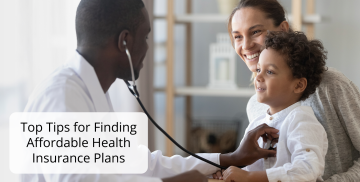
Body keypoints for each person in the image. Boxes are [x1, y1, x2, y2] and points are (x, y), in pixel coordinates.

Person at [22, 0, 279, 182]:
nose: (147, 49)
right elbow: (78, 179)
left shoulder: (92, 93)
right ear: (124, 41)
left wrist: (230, 158)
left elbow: (143, 163)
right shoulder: (61, 96)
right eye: (145, 38)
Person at [214, 0, 360, 181]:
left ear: (283, 28)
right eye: (237, 36)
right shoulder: (257, 106)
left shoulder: (331, 86)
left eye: (256, 32)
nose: (246, 45)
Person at [222, 31, 328, 182]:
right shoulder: (257, 124)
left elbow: (307, 169)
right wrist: (230, 173)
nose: (258, 77)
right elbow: (250, 170)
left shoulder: (302, 121)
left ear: (298, 85)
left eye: (269, 71)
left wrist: (249, 177)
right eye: (259, 69)